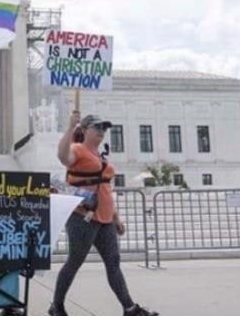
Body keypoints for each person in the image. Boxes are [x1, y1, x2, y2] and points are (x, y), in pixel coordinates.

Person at [49, 111, 158, 316]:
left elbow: (105, 188)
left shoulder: (100, 154)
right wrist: (71, 127)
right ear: (85, 130)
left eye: (104, 128)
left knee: (113, 263)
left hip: (105, 217)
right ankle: (57, 305)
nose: (102, 131)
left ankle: (129, 308)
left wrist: (116, 217)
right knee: (75, 261)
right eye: (97, 127)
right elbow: (62, 156)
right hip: (83, 217)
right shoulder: (77, 149)